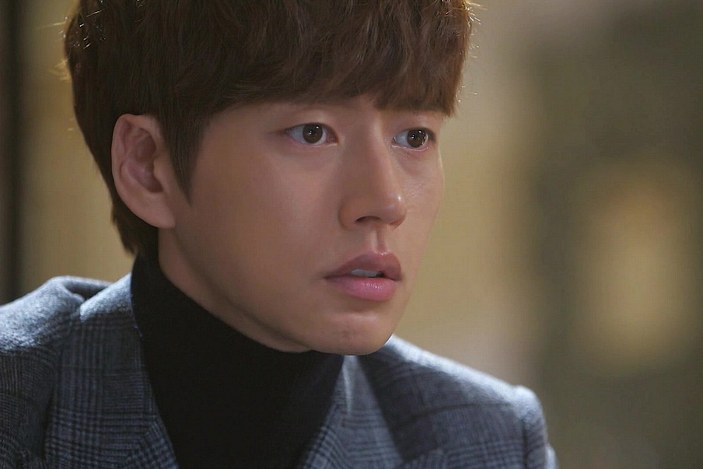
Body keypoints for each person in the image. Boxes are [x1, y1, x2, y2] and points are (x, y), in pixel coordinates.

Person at [0, 0, 556, 467]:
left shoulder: (487, 442)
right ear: (148, 167)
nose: (386, 203)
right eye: (312, 132)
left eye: (414, 137)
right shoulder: (17, 403)